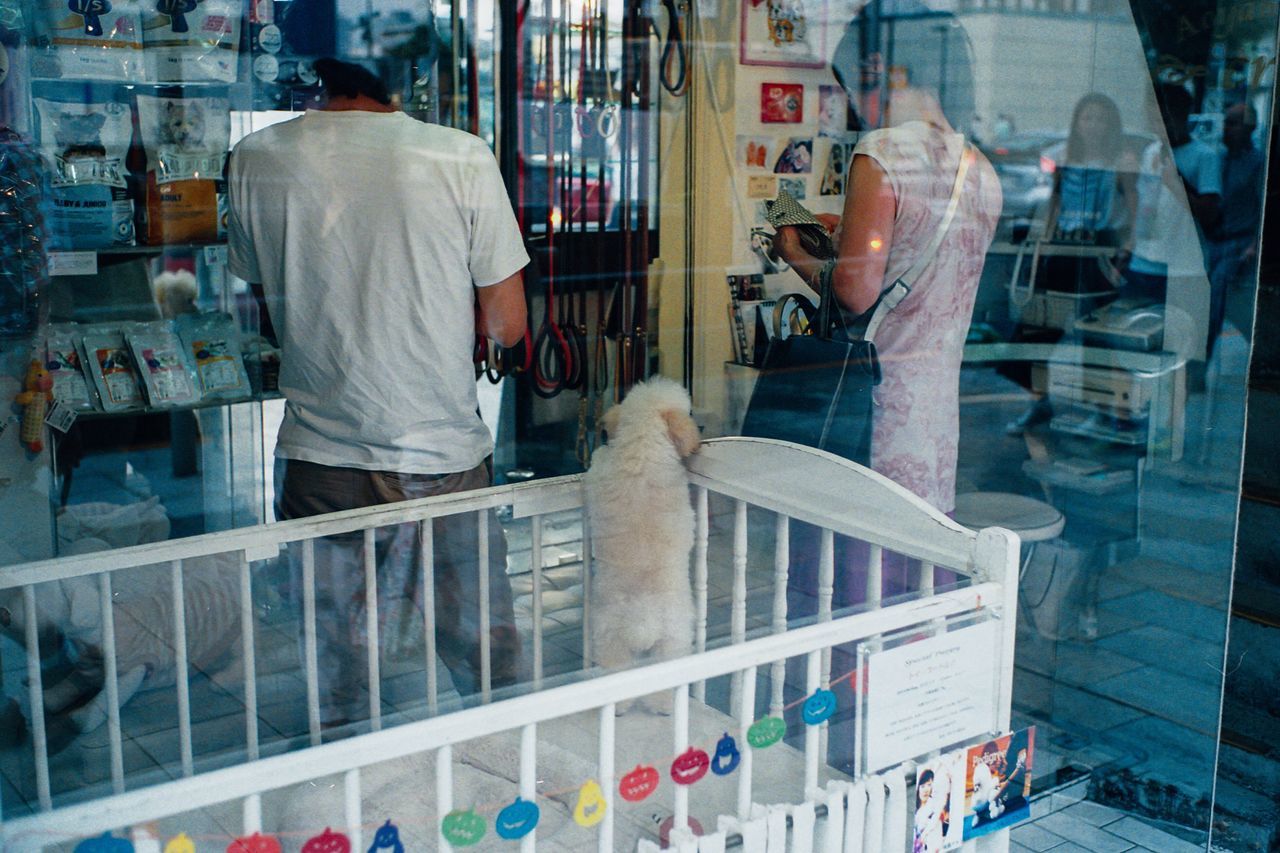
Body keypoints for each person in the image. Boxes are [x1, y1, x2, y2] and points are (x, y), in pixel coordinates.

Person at [226, 58, 529, 728]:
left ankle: (344, 810)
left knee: (334, 670)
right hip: (440, 458)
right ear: (389, 85)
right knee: (486, 663)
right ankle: (509, 794)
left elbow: (266, 301)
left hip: (318, 456)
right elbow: (509, 324)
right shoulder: (459, 155)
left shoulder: (253, 158)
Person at [1005, 92, 1137, 435]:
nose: (1093, 125)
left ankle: (1107, 410)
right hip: (1063, 248)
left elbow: (1134, 208)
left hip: (1100, 251)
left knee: (1098, 337)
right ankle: (1038, 402)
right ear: (1077, 123)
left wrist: (1128, 246)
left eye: (1101, 119)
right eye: (1087, 118)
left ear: (1111, 125)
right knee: (1040, 330)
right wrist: (1044, 245)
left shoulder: (1122, 159)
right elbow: (1054, 203)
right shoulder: (1065, 157)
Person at [1206, 102, 1265, 357]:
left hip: (1238, 245)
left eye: (1233, 123)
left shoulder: (1257, 163)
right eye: (1225, 122)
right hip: (1213, 242)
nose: (1226, 128)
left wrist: (1254, 244)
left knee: (1216, 305)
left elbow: (1265, 207)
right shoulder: (1216, 158)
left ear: (1249, 128)